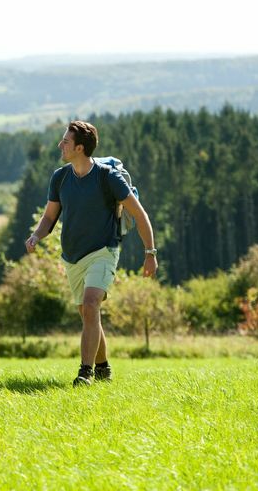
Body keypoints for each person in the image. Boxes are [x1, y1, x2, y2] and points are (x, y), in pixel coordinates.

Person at [25, 121, 158, 386]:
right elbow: (50, 216)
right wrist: (37, 235)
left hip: (104, 251)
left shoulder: (108, 177)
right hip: (72, 256)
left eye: (65, 141)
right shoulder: (60, 177)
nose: (59, 145)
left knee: (91, 303)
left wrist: (150, 252)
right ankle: (103, 368)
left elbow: (139, 214)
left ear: (80, 148)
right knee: (88, 314)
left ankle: (84, 373)